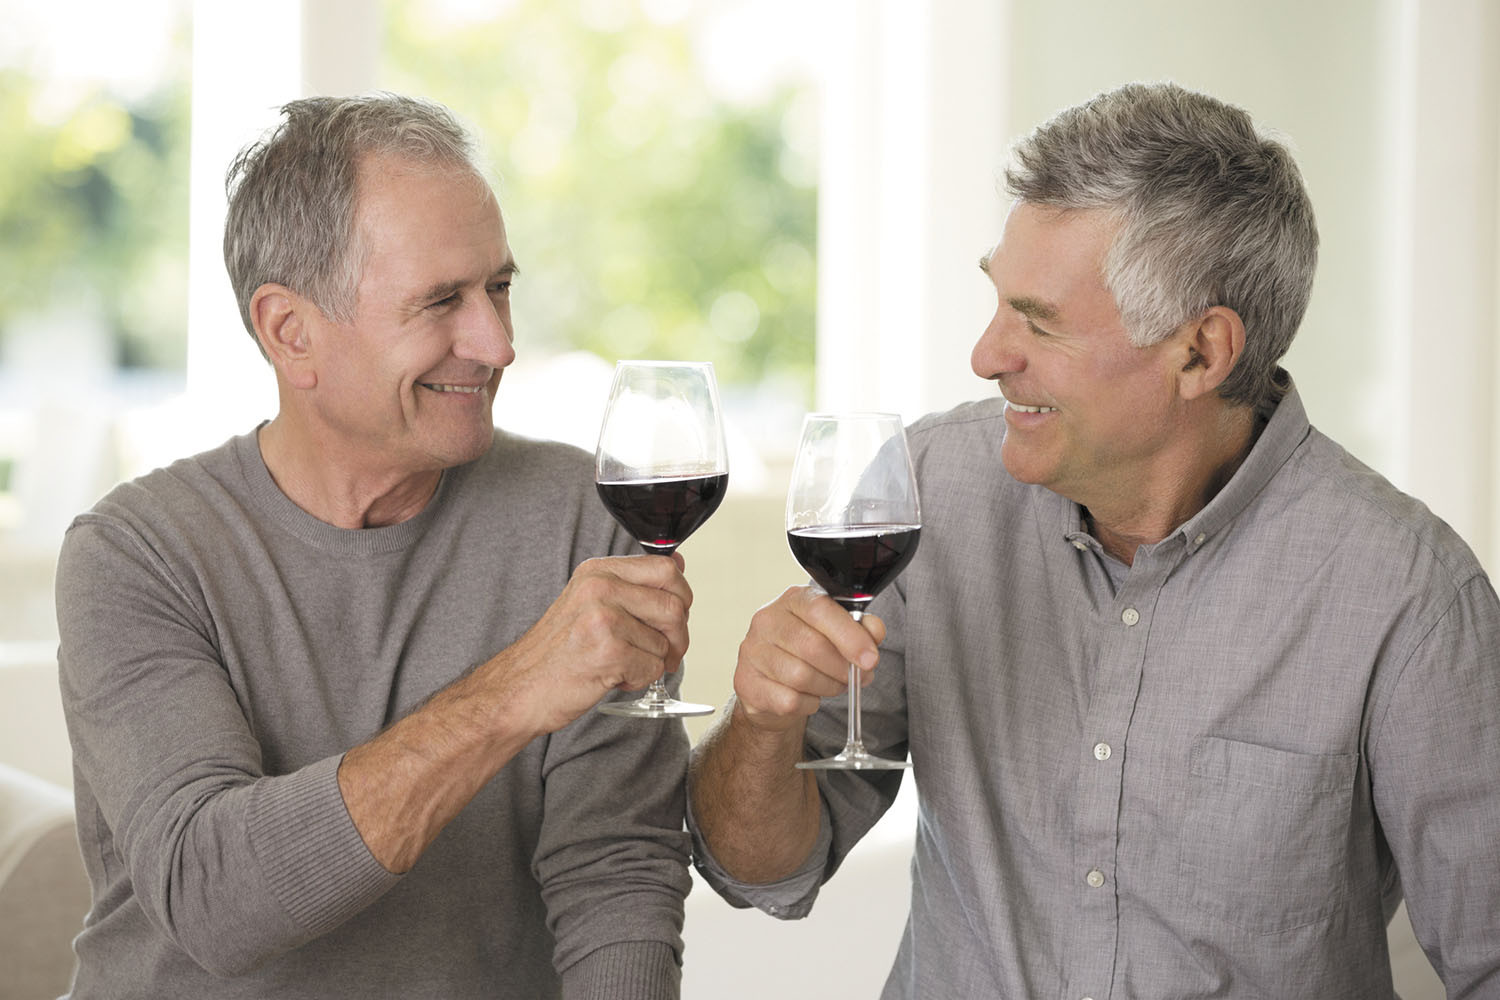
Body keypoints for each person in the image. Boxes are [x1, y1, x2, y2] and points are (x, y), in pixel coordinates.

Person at [687, 81, 1500, 998]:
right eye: (997, 303)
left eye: (1038, 322)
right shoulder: (928, 494)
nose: (986, 355)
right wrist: (763, 721)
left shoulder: (1410, 600)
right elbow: (760, 869)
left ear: (1202, 353)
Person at [54, 93, 695, 999]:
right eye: (442, 302)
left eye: (499, 288)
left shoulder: (583, 517)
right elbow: (213, 896)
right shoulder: (135, 555)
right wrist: (512, 693)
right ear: (292, 333)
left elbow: (616, 874)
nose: (498, 343)